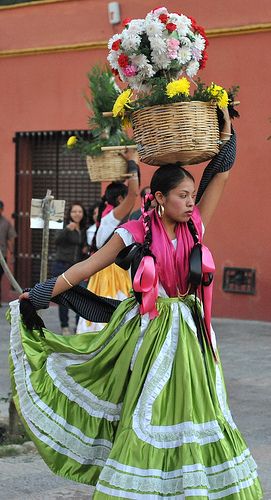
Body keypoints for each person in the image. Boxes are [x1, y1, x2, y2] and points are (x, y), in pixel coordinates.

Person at [13, 108, 262, 499]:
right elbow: (86, 267)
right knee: (149, 406)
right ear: (160, 198)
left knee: (199, 407)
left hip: (192, 333)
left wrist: (227, 132)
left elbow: (221, 174)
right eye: (182, 196)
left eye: (192, 196)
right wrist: (42, 293)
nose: (190, 202)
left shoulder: (195, 224)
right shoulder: (133, 233)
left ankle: (190, 483)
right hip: (149, 331)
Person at [76, 152, 139, 333]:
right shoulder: (113, 216)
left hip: (103, 272)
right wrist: (132, 164)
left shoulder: (106, 216)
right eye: (126, 199)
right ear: (120, 199)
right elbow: (134, 192)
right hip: (111, 274)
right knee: (111, 322)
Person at [52, 202, 88, 334]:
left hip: (78, 268)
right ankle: (64, 325)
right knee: (64, 298)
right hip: (62, 266)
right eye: (74, 211)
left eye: (79, 211)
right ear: (70, 213)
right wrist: (67, 229)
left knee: (81, 298)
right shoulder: (63, 225)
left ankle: (78, 325)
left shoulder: (84, 229)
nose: (77, 214)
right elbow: (56, 240)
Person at [0, 200, 17, 306]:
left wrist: (11, 253)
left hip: (2, 257)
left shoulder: (6, 223)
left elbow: (11, 239)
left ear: (1, 210)